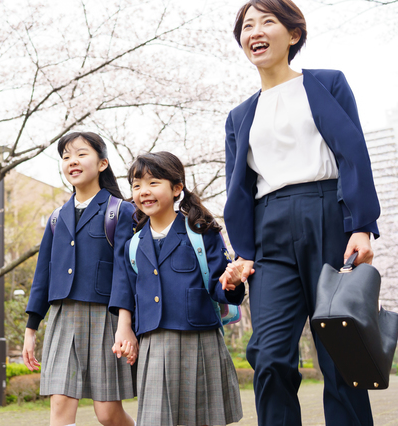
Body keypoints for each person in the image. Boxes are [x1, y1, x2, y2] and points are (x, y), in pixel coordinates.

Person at [223, 1, 381, 425]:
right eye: (247, 25)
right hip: (269, 229)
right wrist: (243, 251)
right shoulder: (239, 116)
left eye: (267, 21)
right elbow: (238, 189)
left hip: (329, 215)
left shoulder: (328, 83)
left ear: (293, 35)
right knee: (270, 355)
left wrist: (362, 226)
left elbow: (354, 155)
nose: (255, 31)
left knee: (341, 354)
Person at [110, 151, 245, 426]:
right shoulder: (133, 244)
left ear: (177, 188)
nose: (143, 192)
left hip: (200, 338)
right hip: (153, 342)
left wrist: (231, 283)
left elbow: (218, 285)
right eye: (136, 186)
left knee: (203, 420)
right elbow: (127, 292)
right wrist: (125, 330)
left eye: (152, 183)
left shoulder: (201, 231)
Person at [23, 132, 136, 426]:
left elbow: (126, 272)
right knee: (59, 403)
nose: (72, 161)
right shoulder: (57, 217)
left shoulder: (121, 211)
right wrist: (31, 327)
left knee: (108, 414)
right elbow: (43, 274)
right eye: (65, 156)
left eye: (81, 154)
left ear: (102, 164)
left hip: (106, 318)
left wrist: (126, 323)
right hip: (62, 317)